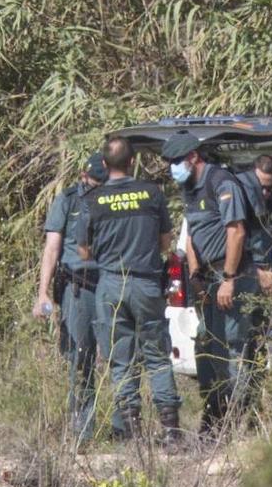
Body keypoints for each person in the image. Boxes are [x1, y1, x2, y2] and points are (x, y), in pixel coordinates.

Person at [77, 137, 181, 444]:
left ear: (105, 165)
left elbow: (83, 252)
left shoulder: (92, 199)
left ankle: (133, 434)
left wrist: (109, 256)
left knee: (120, 360)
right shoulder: (152, 194)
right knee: (157, 357)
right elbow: (165, 244)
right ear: (133, 161)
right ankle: (172, 432)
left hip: (110, 284)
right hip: (147, 283)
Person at [161, 133, 259, 436]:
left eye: (177, 161)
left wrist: (228, 279)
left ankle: (240, 422)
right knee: (208, 347)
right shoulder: (188, 187)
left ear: (193, 157)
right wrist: (194, 275)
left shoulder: (222, 182)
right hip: (207, 278)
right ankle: (215, 417)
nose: (173, 168)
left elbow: (237, 233)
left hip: (232, 274)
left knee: (232, 348)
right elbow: (191, 235)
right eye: (170, 163)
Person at [35, 153, 112, 442]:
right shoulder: (67, 200)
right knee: (80, 357)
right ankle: (82, 429)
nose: (96, 186)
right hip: (78, 286)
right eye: (93, 181)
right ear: (83, 176)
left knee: (117, 355)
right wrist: (43, 292)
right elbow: (52, 248)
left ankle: (122, 427)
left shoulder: (114, 196)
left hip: (111, 283)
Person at [233, 155, 272, 294]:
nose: (265, 192)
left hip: (268, 271)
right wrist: (257, 273)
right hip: (243, 273)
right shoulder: (237, 203)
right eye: (260, 187)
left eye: (270, 188)